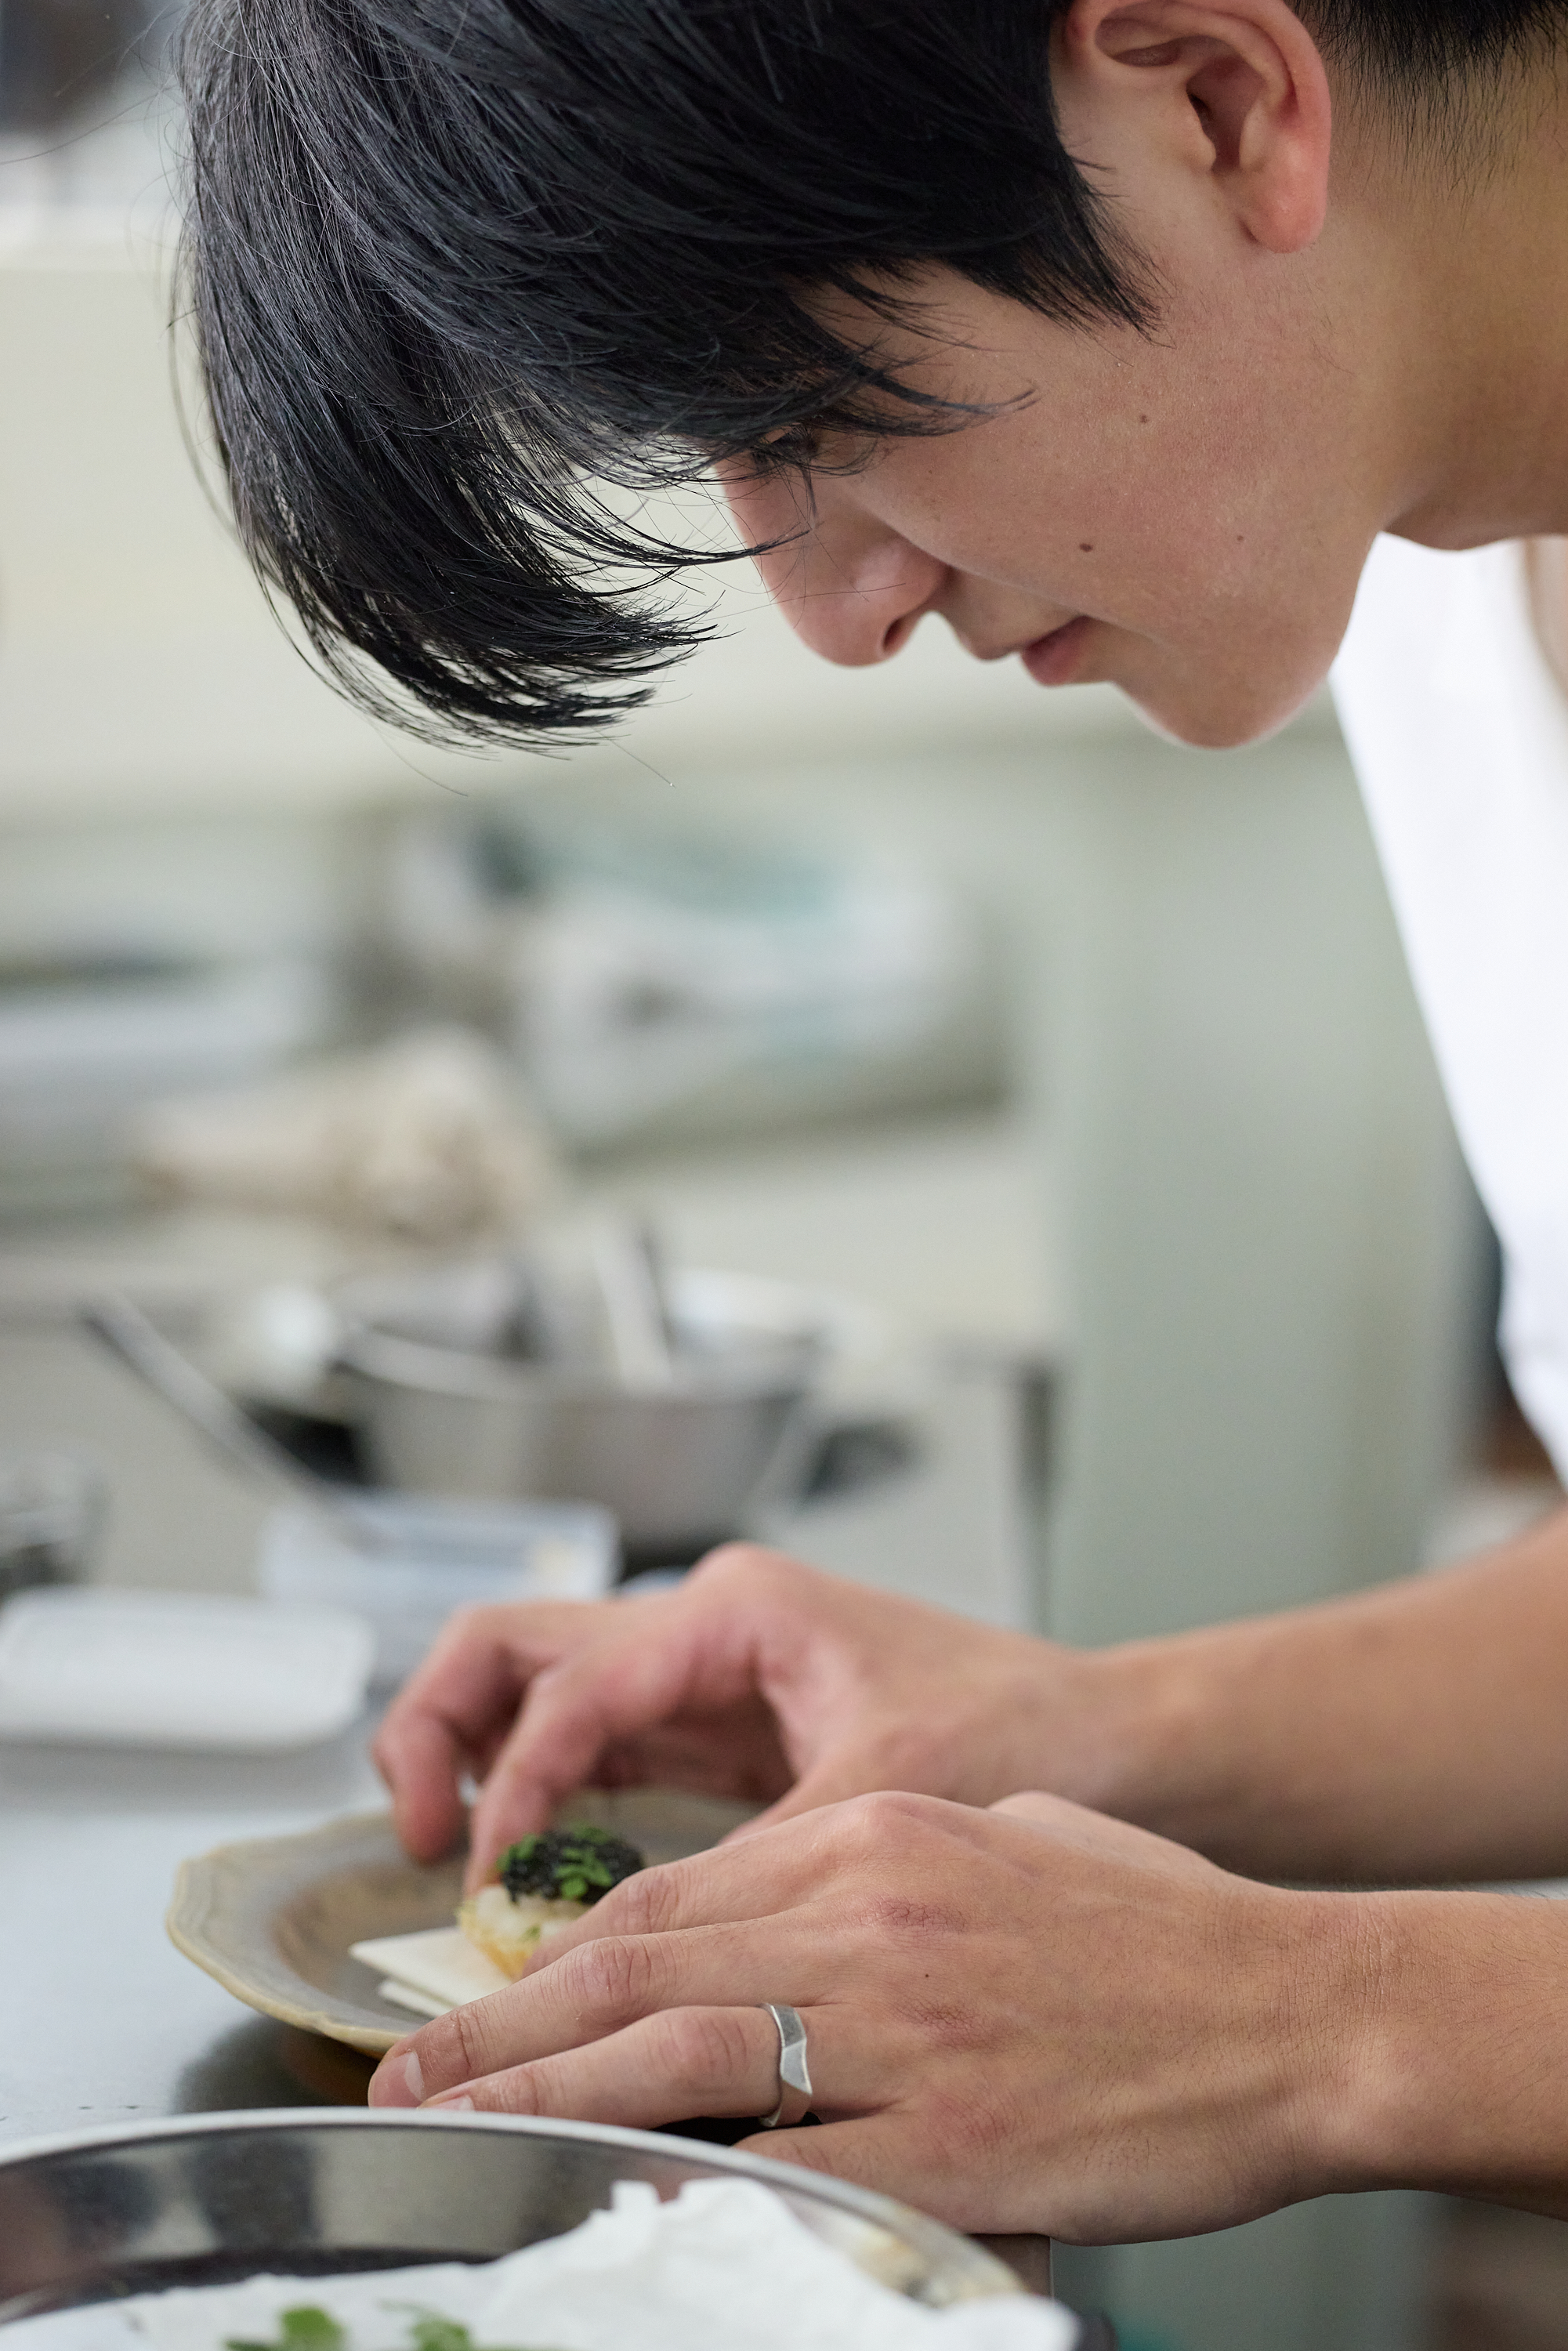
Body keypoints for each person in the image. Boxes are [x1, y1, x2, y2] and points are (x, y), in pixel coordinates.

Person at [178, 0, 1568, 2241]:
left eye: (811, 416)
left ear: (1217, 107)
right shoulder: (1421, 529)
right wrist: (1075, 1729)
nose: (837, 614)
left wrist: (1315, 2021)